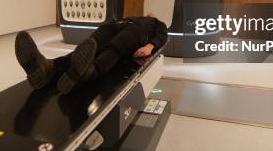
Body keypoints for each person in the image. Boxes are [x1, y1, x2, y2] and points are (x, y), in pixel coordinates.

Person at [15, 16, 168, 94]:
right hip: (113, 26)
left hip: (137, 32)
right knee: (90, 45)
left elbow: (163, 35)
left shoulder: (155, 22)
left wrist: (150, 45)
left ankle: (89, 71)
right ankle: (47, 68)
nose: (149, 13)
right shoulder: (133, 16)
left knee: (115, 47)